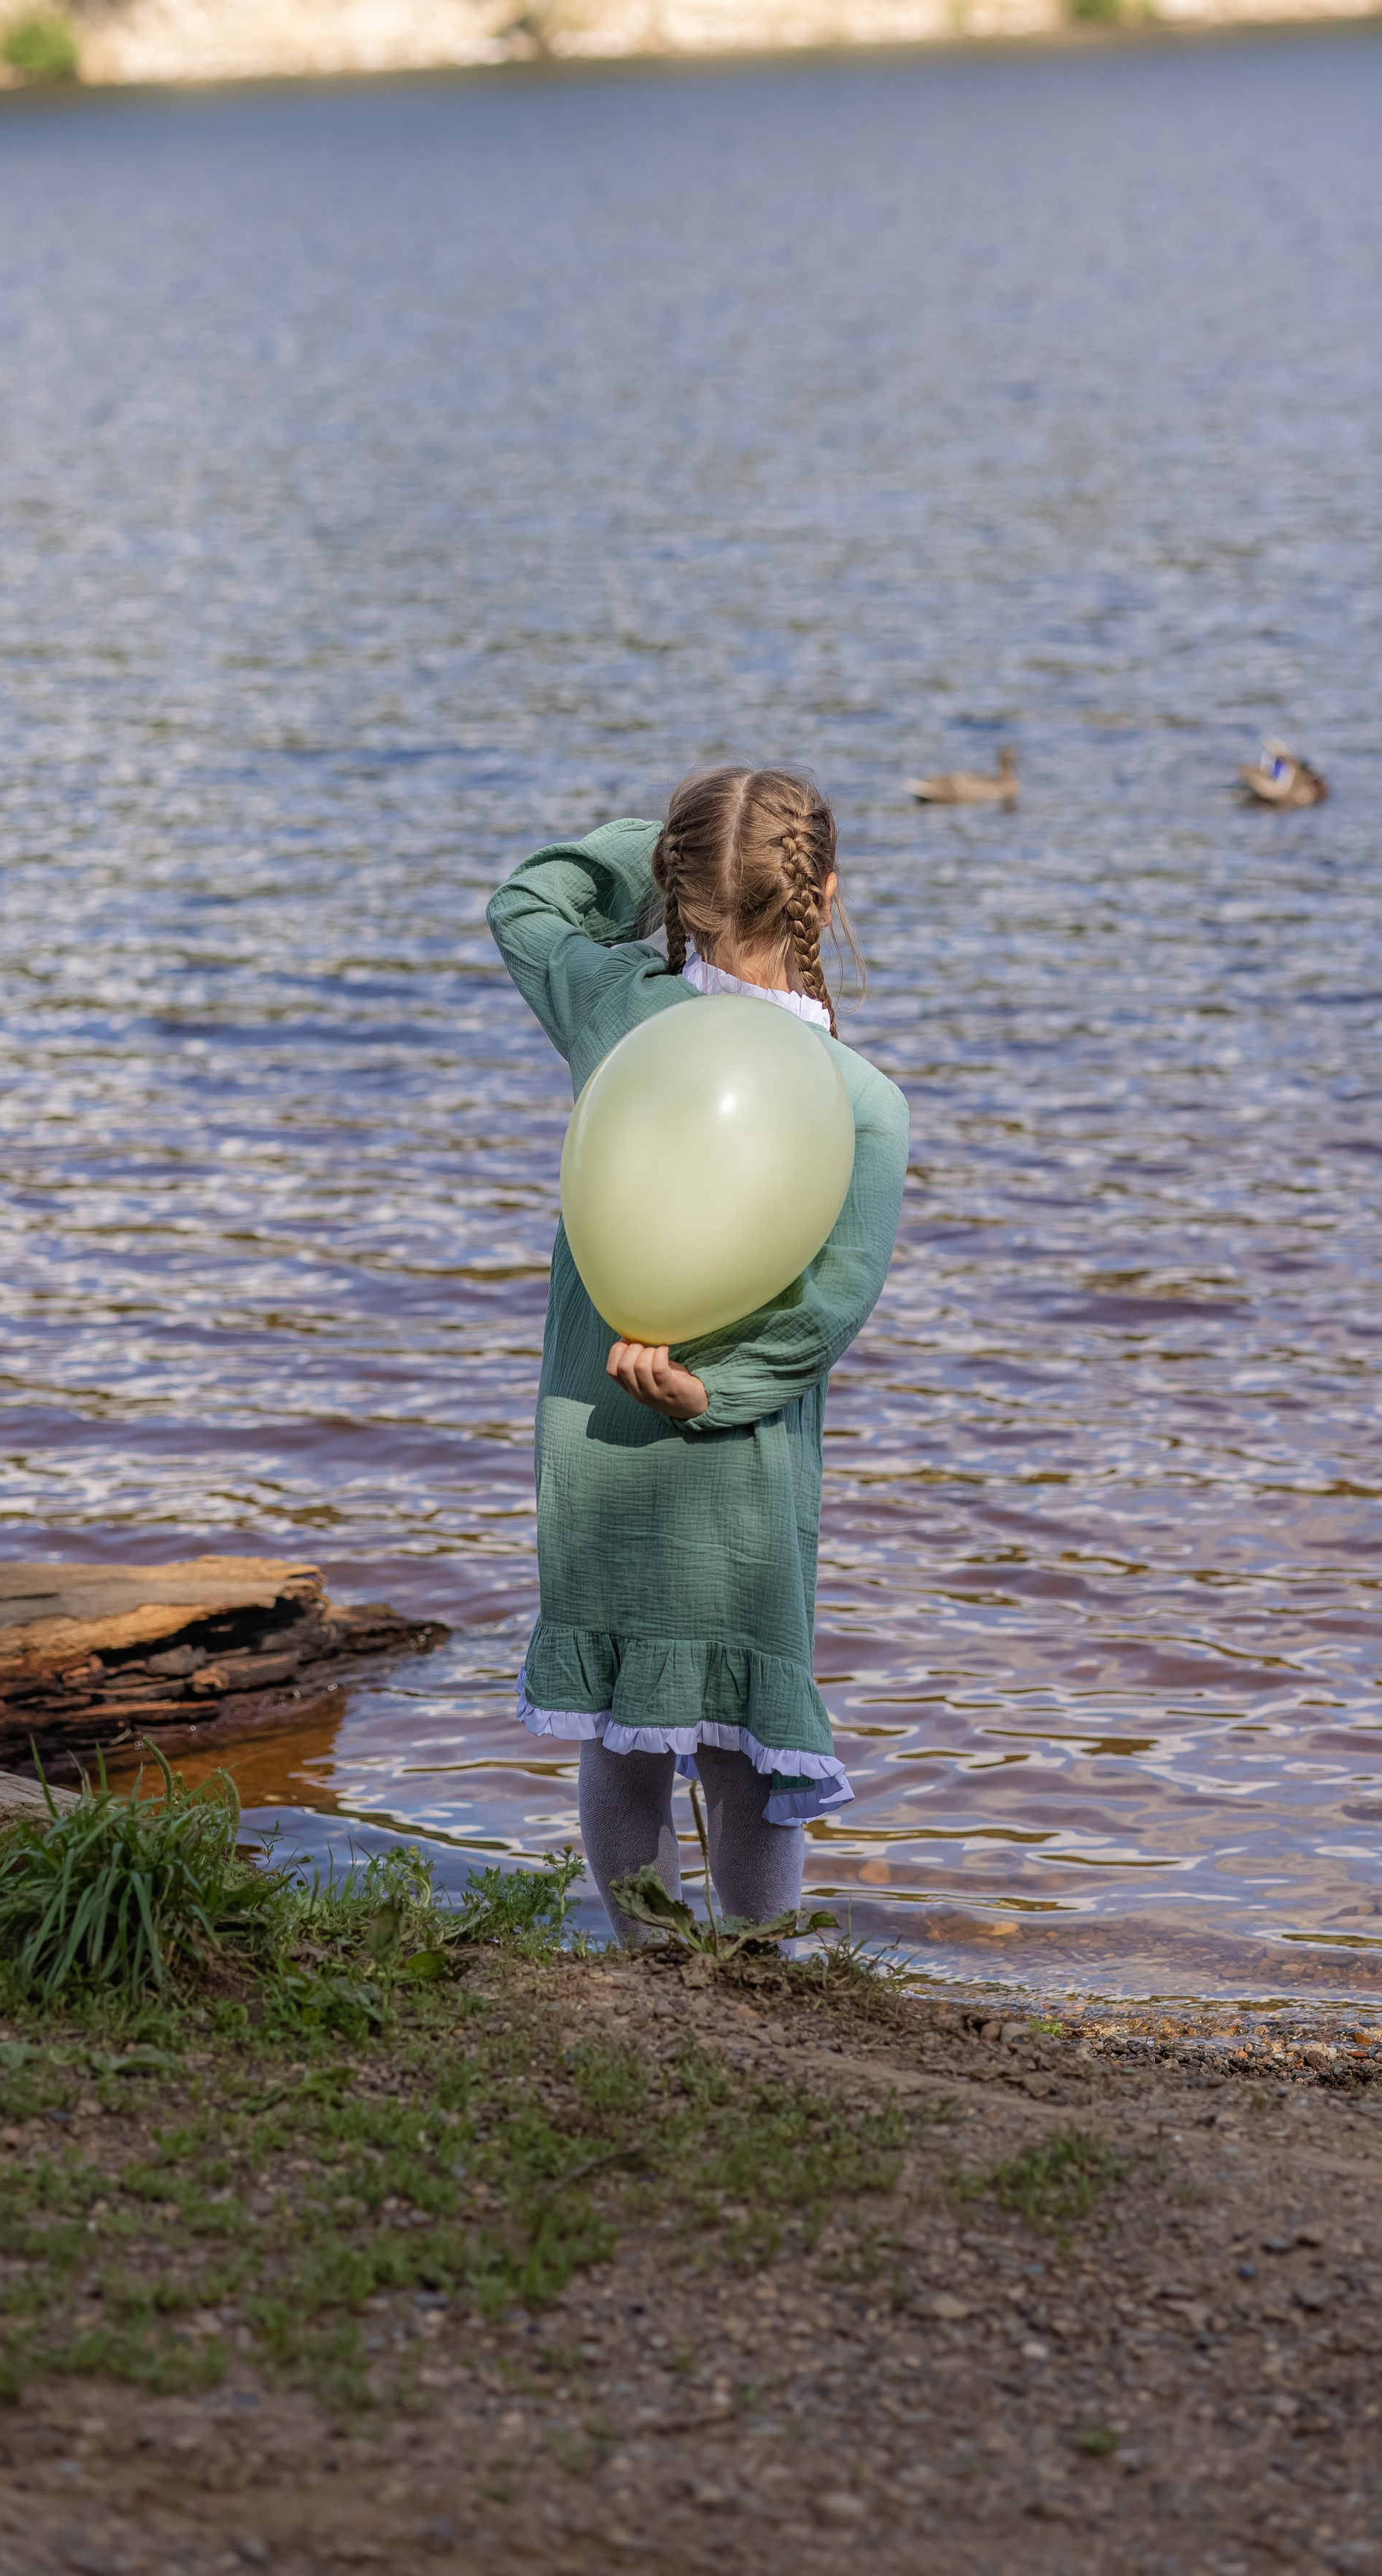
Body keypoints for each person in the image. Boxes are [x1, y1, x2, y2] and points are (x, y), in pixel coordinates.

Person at [487, 767, 910, 1941]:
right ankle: (762, 1966)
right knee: (742, 1738)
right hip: (736, 1458)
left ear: (674, 884)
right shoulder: (862, 1097)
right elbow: (831, 1307)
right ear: (825, 896)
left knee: (622, 1732)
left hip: (598, 1437)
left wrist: (655, 851)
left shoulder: (621, 1007)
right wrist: (714, 1388)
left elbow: (525, 903)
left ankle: (646, 1963)